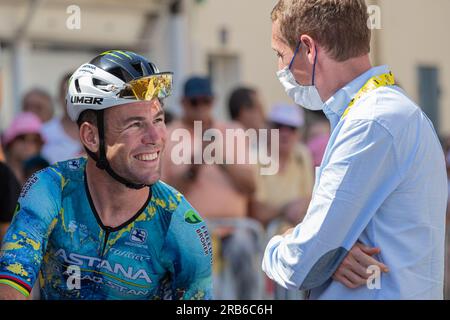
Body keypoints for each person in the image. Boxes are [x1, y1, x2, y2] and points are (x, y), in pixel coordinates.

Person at [263, 0, 447, 299]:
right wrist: (328, 256)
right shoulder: (380, 114)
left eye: (280, 54)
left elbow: (303, 261)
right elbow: (320, 252)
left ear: (308, 48)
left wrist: (275, 246)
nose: (280, 68)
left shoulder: (371, 121)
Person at [0, 50, 212, 300]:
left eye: (158, 119)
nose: (156, 138)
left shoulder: (180, 225)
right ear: (91, 137)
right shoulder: (51, 188)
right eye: (135, 124)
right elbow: (10, 287)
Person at [161, 76, 258, 299]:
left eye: (206, 101)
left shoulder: (234, 131)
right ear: (184, 103)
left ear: (213, 101)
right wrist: (194, 167)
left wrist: (221, 161)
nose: (201, 107)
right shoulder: (167, 134)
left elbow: (250, 186)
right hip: (190, 229)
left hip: (234, 229)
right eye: (195, 102)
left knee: (244, 247)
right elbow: (164, 194)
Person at [252, 104, 314, 229]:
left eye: (292, 128)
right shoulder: (255, 158)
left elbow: (311, 198)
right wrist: (285, 210)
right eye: (279, 127)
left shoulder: (302, 155)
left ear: (299, 133)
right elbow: (256, 211)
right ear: (268, 128)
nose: (285, 133)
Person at [41, 72, 84, 164]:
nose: (72, 99)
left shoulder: (98, 132)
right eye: (67, 93)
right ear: (59, 98)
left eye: (77, 93)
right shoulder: (44, 131)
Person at [2, 112, 46, 184]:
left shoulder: (45, 175)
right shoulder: (2, 173)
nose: (28, 145)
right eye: (22, 138)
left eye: (35, 140)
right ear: (10, 142)